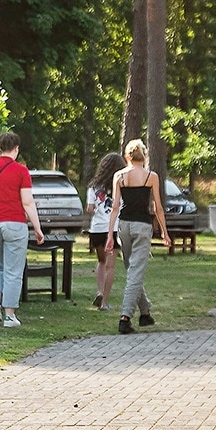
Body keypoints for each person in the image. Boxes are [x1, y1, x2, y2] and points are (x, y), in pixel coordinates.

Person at [0, 130, 44, 329]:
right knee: (13, 270)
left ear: (0, 147)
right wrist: (37, 228)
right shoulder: (21, 171)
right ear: (16, 149)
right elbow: (28, 202)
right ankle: (9, 315)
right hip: (14, 223)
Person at [111, 139, 168, 335]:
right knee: (135, 272)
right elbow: (158, 207)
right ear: (143, 156)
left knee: (132, 270)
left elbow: (115, 207)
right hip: (142, 226)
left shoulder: (119, 176)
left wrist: (111, 234)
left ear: (127, 156)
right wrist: (164, 232)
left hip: (124, 226)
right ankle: (125, 317)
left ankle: (145, 312)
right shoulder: (151, 176)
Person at [86, 151, 124, 310]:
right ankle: (104, 302)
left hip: (96, 229)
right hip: (113, 228)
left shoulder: (93, 186)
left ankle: (99, 291)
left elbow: (89, 208)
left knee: (101, 262)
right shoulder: (121, 184)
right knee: (110, 266)